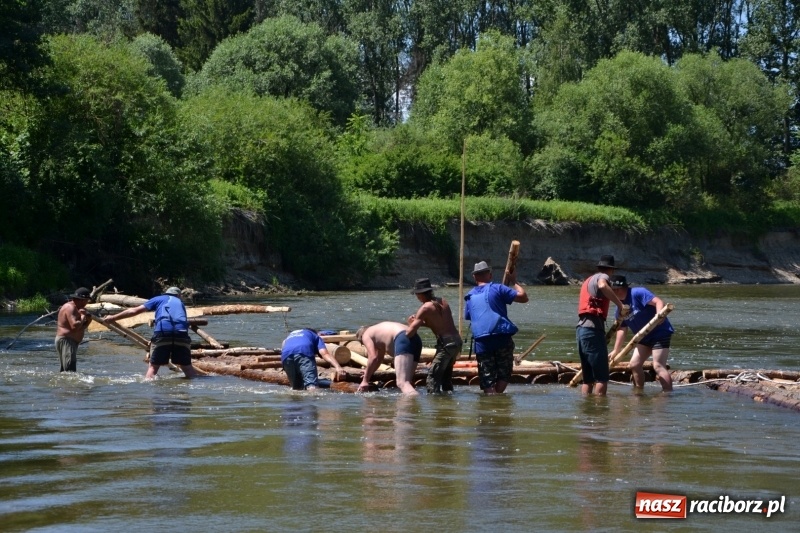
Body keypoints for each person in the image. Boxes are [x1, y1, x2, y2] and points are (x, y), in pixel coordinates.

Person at [104, 286, 200, 379]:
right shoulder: (180, 303)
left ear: (165, 294)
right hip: (182, 334)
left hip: (163, 332)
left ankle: (150, 388)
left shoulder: (158, 299)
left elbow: (134, 310)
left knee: (153, 367)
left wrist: (113, 317)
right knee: (187, 367)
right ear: (179, 295)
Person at [463, 261, 529, 394]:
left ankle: (491, 398)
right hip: (501, 338)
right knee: (504, 373)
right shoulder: (498, 288)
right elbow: (523, 297)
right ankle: (497, 398)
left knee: (487, 378)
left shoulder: (470, 296)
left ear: (475, 277)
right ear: (490, 275)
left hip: (482, 342)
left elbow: (468, 316)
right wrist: (514, 281)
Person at [607, 275, 674, 392]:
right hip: (643, 337)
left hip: (660, 333)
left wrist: (659, 315)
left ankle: (668, 394)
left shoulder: (638, 293)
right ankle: (639, 392)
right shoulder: (619, 308)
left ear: (618, 289)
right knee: (634, 364)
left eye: (612, 290)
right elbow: (622, 329)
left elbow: (658, 302)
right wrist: (616, 350)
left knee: (658, 365)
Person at [575, 255, 630, 395]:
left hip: (581, 330)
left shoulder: (588, 280)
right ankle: (600, 412)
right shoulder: (603, 277)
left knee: (588, 379)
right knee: (602, 377)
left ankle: (587, 409)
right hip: (592, 330)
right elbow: (602, 285)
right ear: (610, 270)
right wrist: (620, 304)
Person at [406, 278, 463, 394]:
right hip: (456, 343)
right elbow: (441, 324)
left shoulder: (425, 308)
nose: (417, 297)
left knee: (432, 378)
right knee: (446, 377)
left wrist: (411, 323)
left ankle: (436, 407)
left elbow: (409, 333)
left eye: (417, 294)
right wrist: (421, 323)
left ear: (421, 294)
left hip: (446, 345)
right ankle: (449, 405)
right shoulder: (442, 301)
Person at [356, 321, 422, 395]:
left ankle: (415, 402)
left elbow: (373, 357)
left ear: (361, 337)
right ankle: (411, 405)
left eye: (362, 343)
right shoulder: (377, 331)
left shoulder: (365, 335)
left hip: (402, 338)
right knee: (408, 382)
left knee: (402, 383)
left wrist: (365, 381)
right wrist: (368, 372)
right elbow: (379, 359)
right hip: (416, 339)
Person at [281, 328, 346, 390]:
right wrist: (338, 367)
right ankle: (313, 400)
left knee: (296, 388)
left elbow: (283, 345)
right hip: (304, 352)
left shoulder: (291, 335)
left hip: (285, 356)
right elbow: (325, 354)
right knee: (311, 386)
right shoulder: (315, 336)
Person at [54, 287, 93, 372]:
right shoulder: (70, 307)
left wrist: (89, 320)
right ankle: (70, 386)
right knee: (70, 371)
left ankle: (64, 385)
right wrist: (83, 316)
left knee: (66, 371)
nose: (87, 303)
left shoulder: (78, 309)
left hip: (71, 342)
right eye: (87, 300)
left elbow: (81, 328)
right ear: (82, 300)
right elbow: (74, 327)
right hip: (66, 340)